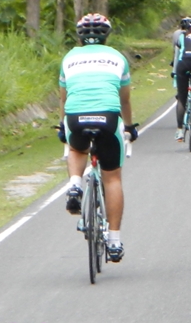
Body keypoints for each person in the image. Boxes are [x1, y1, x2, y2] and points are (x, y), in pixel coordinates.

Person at [59, 14, 138, 263]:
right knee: (112, 177)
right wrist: (129, 127)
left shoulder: (69, 58)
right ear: (107, 35)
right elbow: (124, 99)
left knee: (76, 148)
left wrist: (63, 125)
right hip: (108, 116)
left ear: (80, 36)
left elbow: (64, 97)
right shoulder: (117, 57)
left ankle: (75, 184)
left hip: (76, 116)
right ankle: (114, 241)